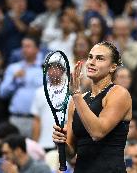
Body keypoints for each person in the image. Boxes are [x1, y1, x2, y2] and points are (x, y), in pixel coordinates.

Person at [53, 41, 132, 172]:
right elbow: (71, 153)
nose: (92, 62)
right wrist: (61, 143)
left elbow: (97, 132)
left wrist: (76, 94)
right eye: (90, 57)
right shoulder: (76, 101)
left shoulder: (119, 94)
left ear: (113, 67)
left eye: (100, 58)